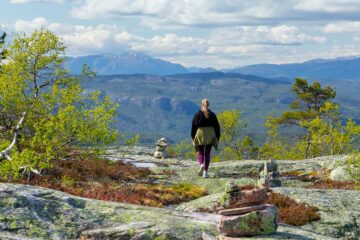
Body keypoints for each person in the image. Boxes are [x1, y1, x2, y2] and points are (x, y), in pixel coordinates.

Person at [191, 99, 220, 178]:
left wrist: (193, 137)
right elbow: (217, 126)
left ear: (202, 104)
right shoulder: (212, 115)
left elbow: (194, 126)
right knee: (207, 153)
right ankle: (205, 172)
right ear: (209, 105)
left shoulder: (197, 114)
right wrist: (217, 137)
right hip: (210, 134)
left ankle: (201, 164)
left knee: (200, 152)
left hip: (200, 133)